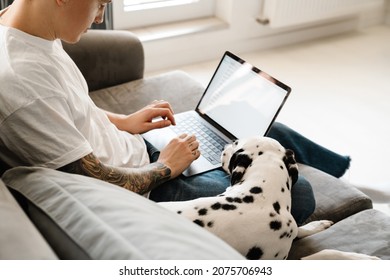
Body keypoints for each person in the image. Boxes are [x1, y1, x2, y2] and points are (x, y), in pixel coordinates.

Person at [0, 0, 350, 226]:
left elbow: (71, 107)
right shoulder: (22, 79)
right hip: (146, 189)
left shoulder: (27, 30)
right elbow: (91, 179)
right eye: (99, 3)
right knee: (300, 194)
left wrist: (124, 122)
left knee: (255, 126)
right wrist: (166, 166)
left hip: (140, 150)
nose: (100, 16)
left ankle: (342, 173)